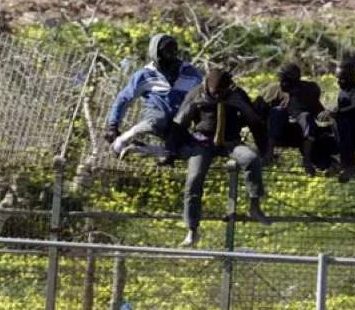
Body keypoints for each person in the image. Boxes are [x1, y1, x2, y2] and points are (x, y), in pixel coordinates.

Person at [173, 68, 271, 248]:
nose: (218, 96)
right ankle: (192, 229)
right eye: (215, 93)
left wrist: (263, 148)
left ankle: (254, 206)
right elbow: (179, 123)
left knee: (251, 159)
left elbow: (255, 122)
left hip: (231, 142)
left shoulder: (237, 94)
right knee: (194, 179)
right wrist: (175, 149)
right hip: (203, 142)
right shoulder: (196, 93)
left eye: (222, 93)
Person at [104, 34, 203, 164]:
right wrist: (113, 124)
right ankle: (123, 139)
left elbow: (202, 99)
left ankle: (149, 150)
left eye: (172, 52)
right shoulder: (145, 75)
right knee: (158, 121)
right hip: (156, 113)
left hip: (178, 122)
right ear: (156, 56)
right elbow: (124, 99)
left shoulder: (190, 73)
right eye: (164, 53)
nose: (169, 56)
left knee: (189, 151)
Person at [257, 62, 326, 176]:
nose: (283, 83)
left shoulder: (308, 89)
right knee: (277, 111)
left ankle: (307, 160)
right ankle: (269, 154)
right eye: (282, 79)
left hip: (300, 131)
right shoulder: (274, 89)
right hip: (280, 131)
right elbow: (258, 108)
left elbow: (318, 110)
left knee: (306, 118)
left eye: (286, 80)